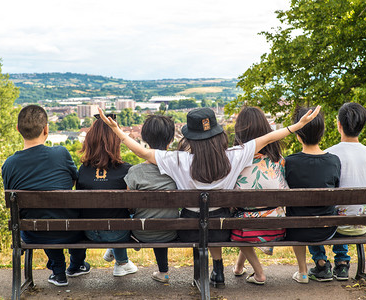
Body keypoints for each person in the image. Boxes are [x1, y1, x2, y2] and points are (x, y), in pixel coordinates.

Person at [97, 105, 321, 288]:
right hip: (221, 230)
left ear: (190, 138)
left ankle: (207, 273)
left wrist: (117, 130)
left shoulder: (179, 160)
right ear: (218, 134)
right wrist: (296, 126)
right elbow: (268, 138)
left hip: (189, 231)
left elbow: (143, 152)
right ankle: (217, 268)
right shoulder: (234, 156)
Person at [2, 105, 89, 287]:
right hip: (71, 229)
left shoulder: (9, 165)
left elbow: (13, 199)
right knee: (63, 215)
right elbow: (75, 181)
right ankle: (76, 265)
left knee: (43, 216)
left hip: (33, 233)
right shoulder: (61, 153)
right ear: (46, 129)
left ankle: (59, 273)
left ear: (18, 129)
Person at [308, 102, 366, 281]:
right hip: (363, 225)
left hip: (335, 225)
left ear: (339, 125)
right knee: (346, 210)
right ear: (362, 126)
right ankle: (342, 263)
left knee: (320, 214)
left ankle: (321, 263)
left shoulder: (329, 155)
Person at [231, 107, 288, 285]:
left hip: (246, 228)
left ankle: (259, 273)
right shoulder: (279, 158)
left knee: (240, 218)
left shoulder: (235, 158)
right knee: (247, 216)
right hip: (278, 226)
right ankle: (239, 267)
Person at [76, 113, 137, 277]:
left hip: (89, 233)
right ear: (116, 140)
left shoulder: (83, 170)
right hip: (117, 234)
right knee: (125, 216)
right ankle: (121, 261)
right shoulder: (126, 170)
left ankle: (120, 260)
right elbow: (132, 207)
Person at [284, 107, 340, 284]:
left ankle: (302, 271)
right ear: (322, 133)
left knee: (296, 216)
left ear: (298, 135)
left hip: (297, 229)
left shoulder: (290, 162)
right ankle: (320, 262)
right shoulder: (334, 161)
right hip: (327, 228)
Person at [124, 115, 178, 284]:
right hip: (173, 231)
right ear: (170, 140)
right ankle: (164, 271)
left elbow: (128, 206)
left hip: (141, 232)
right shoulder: (179, 169)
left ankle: (115, 254)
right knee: (162, 216)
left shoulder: (135, 172)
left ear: (144, 139)